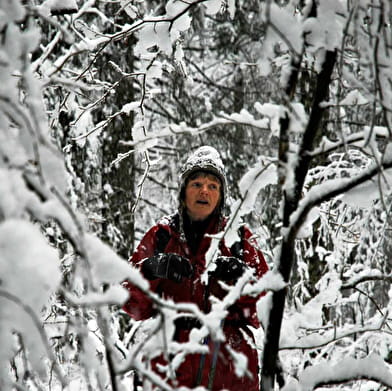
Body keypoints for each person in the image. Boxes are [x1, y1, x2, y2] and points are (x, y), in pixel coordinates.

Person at [123, 146, 268, 391]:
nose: (204, 191)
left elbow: (266, 311)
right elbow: (131, 305)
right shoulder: (160, 236)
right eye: (196, 183)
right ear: (183, 192)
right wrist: (150, 269)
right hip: (170, 366)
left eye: (213, 186)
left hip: (230, 371)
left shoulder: (239, 240)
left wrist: (244, 280)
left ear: (221, 196)